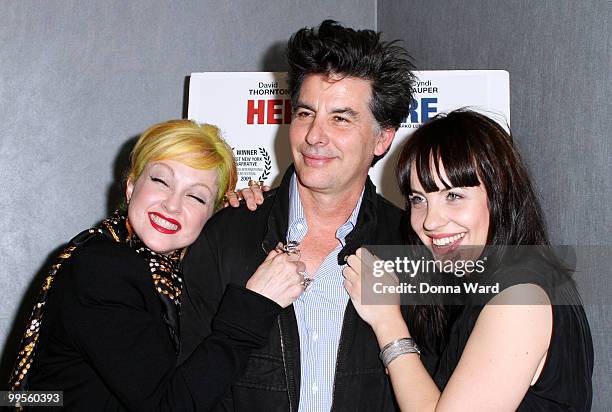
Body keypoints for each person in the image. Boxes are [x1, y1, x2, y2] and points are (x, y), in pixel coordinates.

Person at [181, 20, 416, 411]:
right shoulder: (229, 233)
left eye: (341, 118)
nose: (314, 136)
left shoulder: (409, 245)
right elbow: (190, 388)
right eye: (306, 113)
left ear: (382, 138)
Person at [8, 119, 306, 410]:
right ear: (131, 186)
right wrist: (256, 304)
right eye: (161, 181)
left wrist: (241, 218)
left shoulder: (167, 274)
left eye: (196, 197)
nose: (172, 205)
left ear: (211, 215)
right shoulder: (104, 268)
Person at [343, 109, 594, 411]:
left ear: (499, 194)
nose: (430, 222)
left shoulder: (520, 298)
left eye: (454, 196)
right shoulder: (476, 283)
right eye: (418, 199)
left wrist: (388, 322)